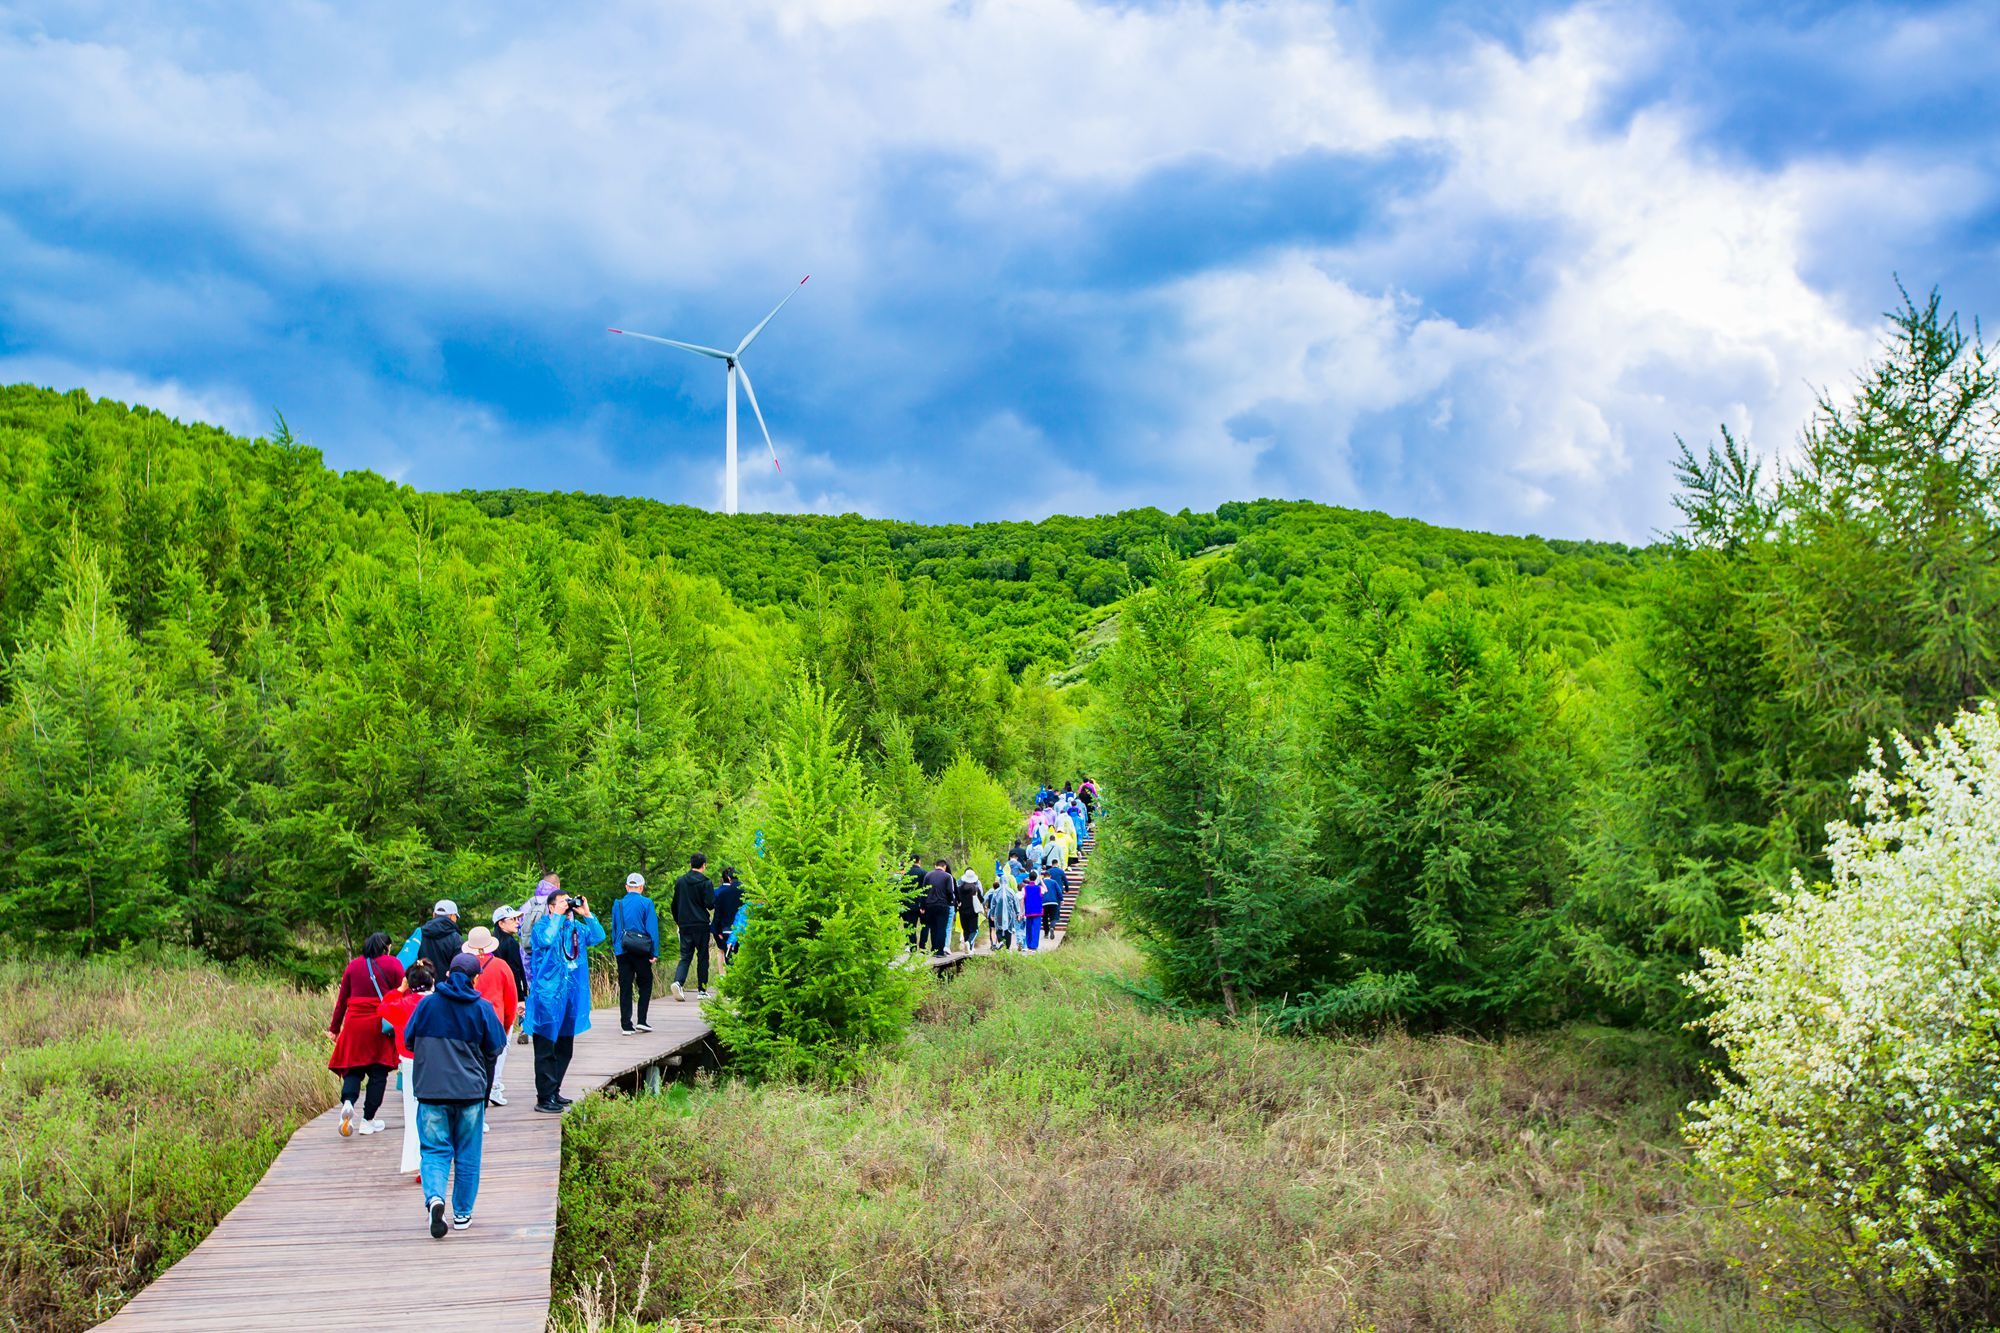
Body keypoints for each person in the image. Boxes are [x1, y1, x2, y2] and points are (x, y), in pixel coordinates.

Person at [405, 953, 506, 1237]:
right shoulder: (482, 1008)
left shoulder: (426, 1006)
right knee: (467, 1154)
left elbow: (408, 1041)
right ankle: (462, 1214)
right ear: (475, 979)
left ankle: (435, 1198)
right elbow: (495, 1047)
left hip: (431, 1092)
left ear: (448, 974)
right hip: (470, 1093)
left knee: (435, 1152)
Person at [525, 885, 605, 1113]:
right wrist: (558, 916)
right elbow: (548, 940)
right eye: (562, 902)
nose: (566, 905)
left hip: (570, 998)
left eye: (568, 901)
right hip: (547, 998)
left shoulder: (575, 928)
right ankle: (543, 1097)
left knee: (564, 1049)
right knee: (546, 1050)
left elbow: (598, 936)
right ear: (550, 907)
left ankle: (554, 1091)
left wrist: (587, 914)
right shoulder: (542, 927)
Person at [328, 932, 405, 1138]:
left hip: (354, 1025)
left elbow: (342, 1000)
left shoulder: (353, 966)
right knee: (378, 1073)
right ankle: (367, 1120)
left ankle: (348, 1103)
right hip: (379, 1025)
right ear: (386, 947)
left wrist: (334, 1029)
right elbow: (402, 994)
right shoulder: (394, 964)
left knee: (353, 1070)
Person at [379, 959, 436, 1184]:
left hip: (411, 1063)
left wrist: (399, 990)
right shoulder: (438, 1003)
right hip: (438, 1063)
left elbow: (382, 1009)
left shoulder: (402, 1005)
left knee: (415, 1114)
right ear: (433, 980)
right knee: (437, 1111)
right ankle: (438, 1159)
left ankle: (420, 1162)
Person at [463, 926, 519, 1103]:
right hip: (494, 1020)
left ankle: (470, 1101)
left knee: (470, 1064)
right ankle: (486, 1098)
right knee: (490, 1064)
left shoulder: (461, 965)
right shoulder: (501, 966)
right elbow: (511, 999)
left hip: (467, 1021)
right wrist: (507, 1025)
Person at [609, 872, 660, 1033]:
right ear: (641, 887)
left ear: (626, 887)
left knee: (625, 986)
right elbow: (652, 929)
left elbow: (615, 929)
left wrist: (617, 948)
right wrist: (654, 952)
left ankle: (626, 1025)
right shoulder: (647, 903)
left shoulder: (618, 904)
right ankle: (642, 1020)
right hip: (641, 950)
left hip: (622, 949)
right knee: (645, 982)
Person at [669, 854, 716, 1001]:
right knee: (702, 956)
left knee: (685, 956)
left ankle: (678, 982)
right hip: (701, 924)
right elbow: (710, 904)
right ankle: (702, 991)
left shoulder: (680, 881)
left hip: (685, 925)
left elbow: (674, 904)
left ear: (690, 864)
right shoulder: (706, 882)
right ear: (704, 865)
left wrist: (678, 921)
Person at [415, 900, 464, 980]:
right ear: (452, 916)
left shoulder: (420, 933)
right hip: (446, 988)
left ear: (434, 915)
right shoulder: (456, 938)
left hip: (422, 985)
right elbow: (459, 966)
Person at [710, 866, 744, 972]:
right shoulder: (746, 891)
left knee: (729, 958)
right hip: (744, 929)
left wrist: (716, 930)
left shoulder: (723, 894)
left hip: (727, 929)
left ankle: (731, 982)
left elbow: (718, 914)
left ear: (729, 879)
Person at [920, 859, 955, 957]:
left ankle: (934, 949)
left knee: (933, 928)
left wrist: (922, 906)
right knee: (942, 928)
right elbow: (950, 891)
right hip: (943, 905)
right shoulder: (948, 876)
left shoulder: (928, 875)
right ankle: (940, 951)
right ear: (944, 867)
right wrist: (950, 902)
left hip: (929, 905)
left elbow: (923, 891)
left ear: (935, 865)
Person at [985, 866, 1025, 953]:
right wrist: (1018, 914)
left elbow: (993, 904)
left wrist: (991, 914)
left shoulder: (996, 892)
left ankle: (1000, 942)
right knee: (1008, 930)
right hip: (1009, 914)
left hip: (998, 914)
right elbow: (1016, 904)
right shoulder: (1011, 891)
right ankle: (1007, 947)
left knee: (998, 929)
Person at [955, 866, 983, 953]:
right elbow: (981, 899)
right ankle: (969, 943)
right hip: (973, 912)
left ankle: (968, 949)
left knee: (965, 930)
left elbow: (956, 899)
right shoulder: (975, 888)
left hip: (962, 911)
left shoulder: (959, 888)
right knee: (974, 930)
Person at [1021, 871, 1045, 952]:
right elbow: (1046, 889)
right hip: (1037, 911)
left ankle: (1029, 945)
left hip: (1028, 911)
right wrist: (1041, 880)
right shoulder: (1039, 888)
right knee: (1036, 929)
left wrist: (1022, 911)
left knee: (1028, 928)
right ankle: (1034, 946)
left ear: (1029, 877)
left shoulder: (1024, 888)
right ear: (1036, 878)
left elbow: (1022, 900)